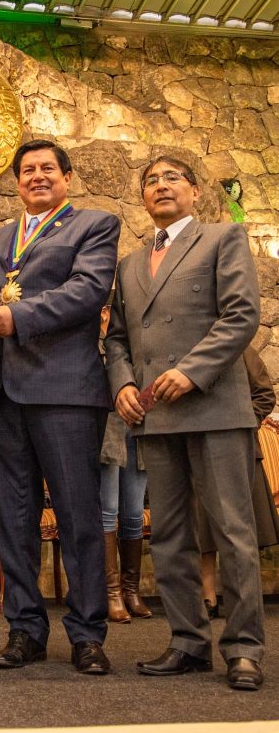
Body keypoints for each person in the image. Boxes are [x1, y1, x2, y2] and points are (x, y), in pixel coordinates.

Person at [105, 155, 265, 691]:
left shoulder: (223, 240)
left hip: (214, 406)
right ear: (143, 199)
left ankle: (243, 649)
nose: (160, 186)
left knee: (232, 532)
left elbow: (241, 315)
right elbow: (118, 338)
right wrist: (123, 384)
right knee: (170, 535)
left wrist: (191, 372)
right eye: (150, 181)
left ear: (195, 192)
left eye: (171, 178)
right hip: (156, 415)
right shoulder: (128, 264)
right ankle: (187, 643)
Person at [0, 139, 120, 675]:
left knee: (78, 514)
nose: (37, 176)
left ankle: (86, 634)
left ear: (67, 177)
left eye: (47, 169)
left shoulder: (94, 226)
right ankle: (24, 630)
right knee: (14, 518)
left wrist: (19, 318)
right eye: (27, 170)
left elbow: (87, 291)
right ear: (16, 181)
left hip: (64, 391)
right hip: (5, 392)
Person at [199, 345, 278, 618]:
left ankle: (244, 601)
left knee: (243, 532)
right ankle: (207, 598)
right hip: (197, 449)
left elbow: (265, 396)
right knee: (203, 529)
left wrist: (242, 423)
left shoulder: (243, 350)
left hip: (240, 448)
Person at [99, 300, 151, 623]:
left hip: (138, 426)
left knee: (133, 512)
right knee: (108, 510)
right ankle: (111, 591)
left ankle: (132, 589)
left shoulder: (138, 341)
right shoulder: (93, 344)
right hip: (106, 428)